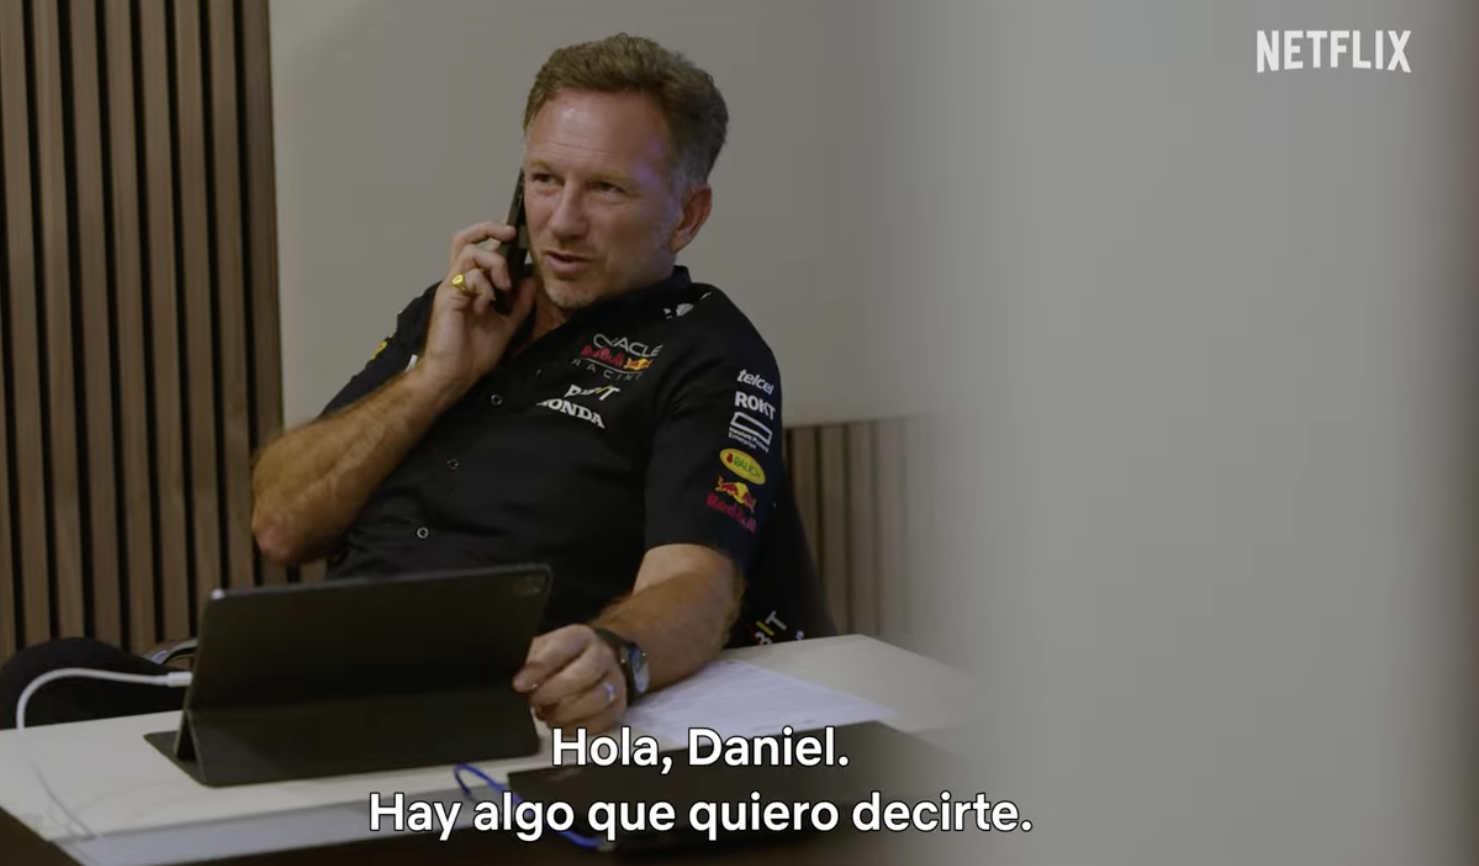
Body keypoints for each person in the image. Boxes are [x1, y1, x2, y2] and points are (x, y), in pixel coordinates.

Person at [0, 33, 827, 733]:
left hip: (471, 705)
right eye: (544, 180)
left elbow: (695, 583)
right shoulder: (465, 307)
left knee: (45, 690)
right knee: (51, 689)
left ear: (686, 215)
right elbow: (281, 522)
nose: (562, 221)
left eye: (605, 189)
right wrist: (435, 376)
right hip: (317, 676)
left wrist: (619, 655)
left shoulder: (708, 353)